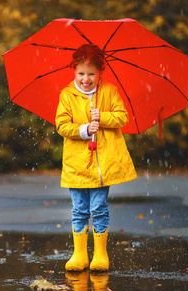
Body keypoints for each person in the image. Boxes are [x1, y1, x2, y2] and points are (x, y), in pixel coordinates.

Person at [55, 44, 137, 272]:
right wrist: (83, 130)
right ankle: (79, 253)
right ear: (74, 72)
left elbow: (122, 117)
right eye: (81, 73)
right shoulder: (67, 95)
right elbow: (61, 125)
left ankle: (100, 254)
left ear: (100, 72)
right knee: (79, 209)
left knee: (99, 207)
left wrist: (103, 117)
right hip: (77, 163)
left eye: (91, 73)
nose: (85, 79)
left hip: (103, 164)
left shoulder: (109, 91)